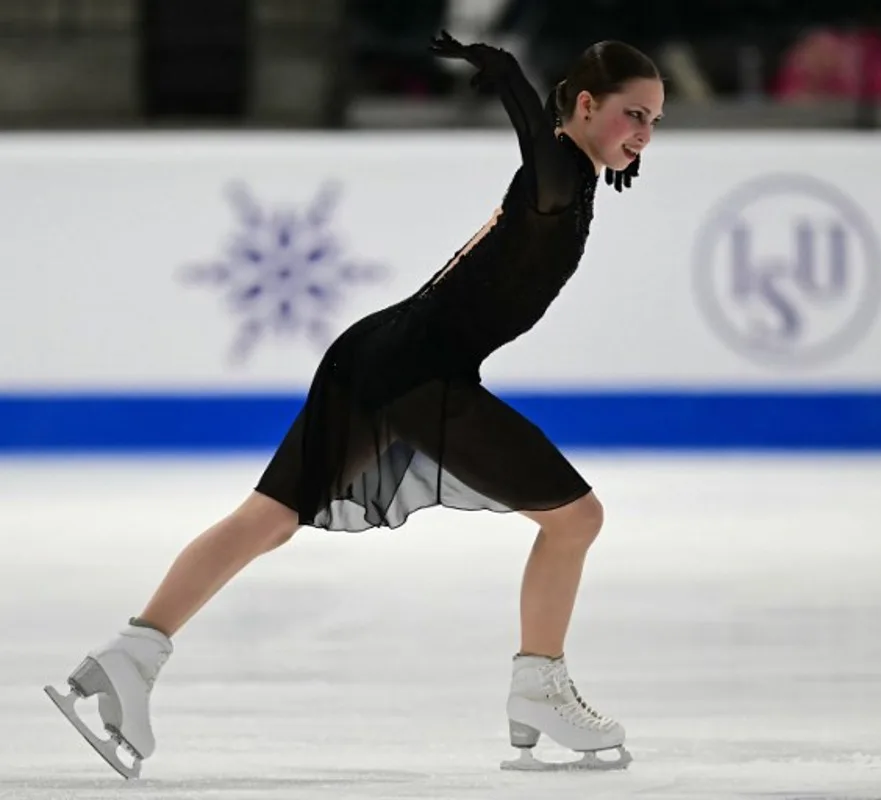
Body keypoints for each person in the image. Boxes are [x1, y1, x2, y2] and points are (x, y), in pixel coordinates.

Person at [44, 31, 665, 778]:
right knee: (576, 518)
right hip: (416, 373)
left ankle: (130, 657)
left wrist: (585, 145)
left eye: (655, 123)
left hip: (375, 356)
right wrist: (511, 81)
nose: (644, 135)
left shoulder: (571, 176)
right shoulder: (560, 168)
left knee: (266, 520)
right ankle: (538, 686)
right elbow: (544, 153)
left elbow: (541, 186)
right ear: (588, 105)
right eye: (634, 115)